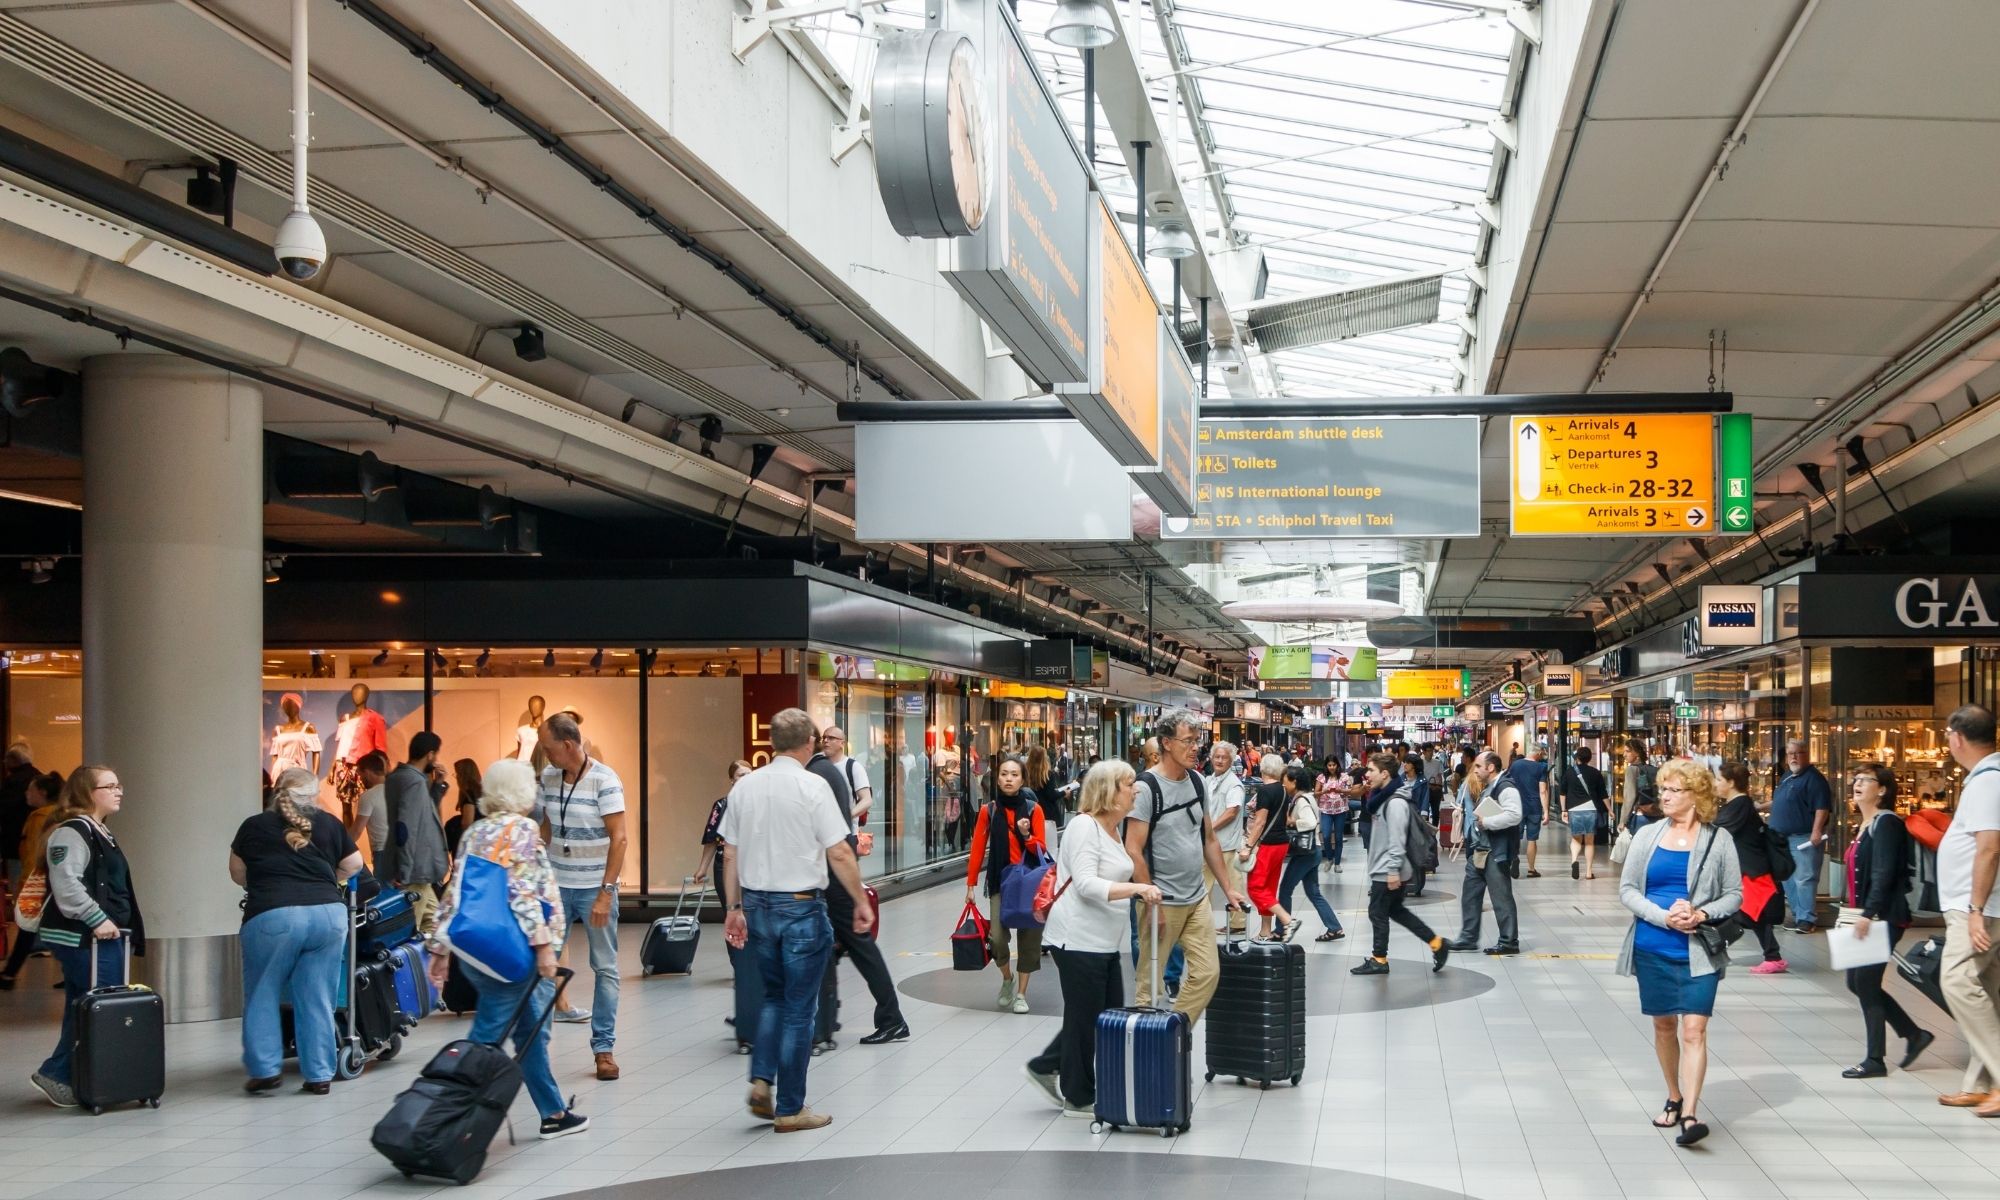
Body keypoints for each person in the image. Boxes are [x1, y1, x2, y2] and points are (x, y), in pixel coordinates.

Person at [720, 707, 874, 1133]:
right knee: (799, 1009)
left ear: (772, 742)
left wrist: (734, 909)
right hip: (801, 907)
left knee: (772, 996)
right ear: (808, 742)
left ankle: (761, 1078)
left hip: (756, 906)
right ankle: (790, 1106)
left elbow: (729, 852)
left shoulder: (744, 789)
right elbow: (840, 851)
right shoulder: (813, 786)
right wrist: (860, 900)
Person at [423, 759, 587, 1139]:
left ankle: (554, 1114)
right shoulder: (523, 830)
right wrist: (545, 947)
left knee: (531, 1033)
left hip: (479, 952)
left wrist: (439, 949)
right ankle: (444, 1119)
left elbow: (455, 892)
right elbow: (524, 893)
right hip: (514, 953)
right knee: (486, 1037)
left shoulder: (475, 833)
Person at [1023, 760, 1161, 1115]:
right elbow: (1084, 884)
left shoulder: (1114, 829)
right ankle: (1078, 1096)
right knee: (1089, 1020)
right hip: (1077, 939)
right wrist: (1137, 888)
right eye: (1130, 784)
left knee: (1100, 1014)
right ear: (1109, 790)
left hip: (1103, 939)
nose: (1137, 789)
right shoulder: (1084, 827)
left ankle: (1046, 1065)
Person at [1616, 761, 1742, 1148]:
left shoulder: (1718, 840)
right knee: (1664, 1026)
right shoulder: (1647, 835)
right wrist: (1664, 917)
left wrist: (1701, 913)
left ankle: (1690, 1112)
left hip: (1699, 950)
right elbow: (1628, 890)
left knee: (1695, 1029)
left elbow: (1734, 894)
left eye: (1674, 790)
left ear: (1696, 796)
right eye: (1663, 789)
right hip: (1654, 945)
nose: (1665, 797)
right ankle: (1673, 1093)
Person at [230, 767, 363, 1095]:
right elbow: (355, 864)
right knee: (317, 996)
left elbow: (237, 873)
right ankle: (319, 1074)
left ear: (276, 792)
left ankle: (265, 1070)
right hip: (329, 916)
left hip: (274, 916)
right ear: (313, 795)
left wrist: (266, 881)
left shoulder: (254, 825)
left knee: (263, 991)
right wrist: (326, 878)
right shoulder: (330, 823)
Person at [29, 766, 145, 1109]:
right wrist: (98, 919)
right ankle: (59, 1073)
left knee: (84, 1003)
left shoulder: (97, 831)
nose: (118, 791)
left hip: (100, 936)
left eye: (118, 783)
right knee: (94, 1006)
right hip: (84, 937)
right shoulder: (71, 832)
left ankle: (73, 1076)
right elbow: (66, 885)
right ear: (86, 793)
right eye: (109, 786)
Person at [1127, 709, 1247, 1023]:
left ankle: (1172, 1033)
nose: (1196, 748)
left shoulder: (1196, 782)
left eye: (1198, 741)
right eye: (1188, 741)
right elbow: (1134, 850)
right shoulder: (1145, 789)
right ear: (1166, 743)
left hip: (1196, 898)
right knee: (1149, 985)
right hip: (1161, 900)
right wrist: (1151, 902)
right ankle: (1146, 1047)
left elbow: (1208, 838)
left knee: (1208, 973)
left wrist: (1229, 888)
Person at [536, 712, 628, 1081]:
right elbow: (546, 826)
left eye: (548, 748)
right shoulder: (549, 777)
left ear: (568, 745)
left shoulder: (605, 781)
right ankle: (536, 1048)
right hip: (556, 886)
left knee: (604, 967)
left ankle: (603, 1049)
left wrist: (606, 893)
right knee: (544, 964)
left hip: (594, 889)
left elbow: (619, 839)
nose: (544, 754)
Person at [807, 731, 908, 1045]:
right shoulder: (825, 770)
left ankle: (890, 1018)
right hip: (837, 861)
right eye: (824, 736)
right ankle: (828, 1017)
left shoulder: (824, 772)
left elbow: (859, 806)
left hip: (834, 865)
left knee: (857, 943)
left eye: (831, 736)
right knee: (838, 944)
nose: (827, 740)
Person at [1839, 764, 1933, 1080]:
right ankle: (1913, 1034)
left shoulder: (1887, 823)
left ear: (1882, 789)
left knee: (1865, 982)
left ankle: (1875, 1059)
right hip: (1864, 915)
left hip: (1881, 916)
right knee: (1857, 982)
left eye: (1865, 780)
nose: (1857, 784)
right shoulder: (1865, 825)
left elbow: (1883, 872)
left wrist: (1869, 913)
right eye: (1856, 779)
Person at [1935, 705, 2000, 1116]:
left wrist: (1976, 908)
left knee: (1957, 981)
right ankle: (1980, 1083)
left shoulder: (1988, 781)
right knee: (1986, 988)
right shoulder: (1986, 777)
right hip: (1980, 906)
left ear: (1957, 737)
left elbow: (1989, 847)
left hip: (1976, 907)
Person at [1351, 753, 1449, 976]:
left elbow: (1397, 839)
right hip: (1386, 867)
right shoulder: (1382, 798)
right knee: (1396, 911)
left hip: (1388, 869)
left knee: (1377, 913)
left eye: (1371, 770)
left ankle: (1379, 959)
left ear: (1385, 774)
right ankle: (1437, 944)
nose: (1366, 774)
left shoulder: (1395, 803)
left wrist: (1393, 870)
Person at [965, 756, 1047, 1013]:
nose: (1008, 779)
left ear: (1023, 779)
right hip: (1001, 880)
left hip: (1029, 883)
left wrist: (1026, 834)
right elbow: (978, 848)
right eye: (1004, 774)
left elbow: (1041, 849)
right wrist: (970, 884)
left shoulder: (1034, 809)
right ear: (997, 778)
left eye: (1014, 774)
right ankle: (1007, 979)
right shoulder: (989, 810)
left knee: (1029, 939)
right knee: (998, 938)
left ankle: (1021, 994)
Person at [701, 760, 755, 1053]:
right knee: (733, 919)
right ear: (731, 780)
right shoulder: (723, 805)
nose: (744, 779)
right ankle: (738, 968)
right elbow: (713, 841)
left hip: (753, 872)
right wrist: (702, 868)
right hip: (730, 867)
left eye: (748, 774)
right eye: (739, 776)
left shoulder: (757, 802)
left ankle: (748, 1013)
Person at [1713, 762, 1786, 975]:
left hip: (1752, 872)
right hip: (1748, 870)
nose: (1716, 784)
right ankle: (1772, 956)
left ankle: (1772, 957)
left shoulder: (1740, 805)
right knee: (1748, 915)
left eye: (1719, 780)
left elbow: (1718, 831)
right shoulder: (1738, 805)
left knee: (1751, 915)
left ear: (1731, 783)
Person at [1449, 751, 1521, 955]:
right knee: (1470, 894)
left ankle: (1508, 941)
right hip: (1479, 849)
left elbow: (1515, 815)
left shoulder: (1506, 787)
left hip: (1495, 851)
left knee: (1501, 896)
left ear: (1491, 768)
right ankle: (1468, 937)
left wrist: (1487, 822)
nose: (1475, 770)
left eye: (1479, 766)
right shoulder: (1488, 787)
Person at [0, 771, 62, 989]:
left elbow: (33, 853)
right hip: (53, 882)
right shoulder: (59, 814)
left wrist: (25, 884)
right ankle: (10, 972)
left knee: (27, 927)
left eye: (31, 790)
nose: (27, 794)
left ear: (42, 793)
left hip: (39, 881)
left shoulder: (39, 818)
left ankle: (9, 973)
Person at [1769, 738, 1833, 933]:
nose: (1794, 757)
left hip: (1803, 837)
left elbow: (1822, 807)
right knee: (1788, 878)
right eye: (1791, 754)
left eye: (1798, 753)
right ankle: (1798, 916)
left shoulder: (1814, 778)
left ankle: (1807, 919)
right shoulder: (1788, 776)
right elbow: (1780, 801)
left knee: (1805, 878)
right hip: (1782, 838)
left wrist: (1816, 830)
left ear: (1807, 755)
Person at [1275, 765, 1343, 942]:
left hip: (1305, 853)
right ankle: (1334, 927)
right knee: (1313, 893)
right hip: (1314, 851)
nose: (1283, 786)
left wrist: (1292, 822)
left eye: (1285, 781)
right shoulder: (1309, 797)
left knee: (1285, 890)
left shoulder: (1302, 800)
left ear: (1294, 781)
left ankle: (1281, 928)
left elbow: (1310, 822)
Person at [1239, 756, 1298, 941]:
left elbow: (1260, 822)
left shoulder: (1264, 790)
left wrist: (1248, 846)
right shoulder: (1282, 790)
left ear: (1262, 769)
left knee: (1256, 887)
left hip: (1267, 844)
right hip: (1281, 844)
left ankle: (1287, 920)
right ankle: (1266, 931)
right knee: (1269, 887)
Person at [1206, 741, 1248, 935]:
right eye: (1217, 757)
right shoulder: (1210, 780)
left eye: (1224, 757)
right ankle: (1200, 922)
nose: (1220, 760)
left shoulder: (1234, 784)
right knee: (1203, 886)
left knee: (1232, 885)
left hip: (1226, 845)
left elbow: (1232, 811)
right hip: (1209, 843)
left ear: (1231, 761)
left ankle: (1238, 924)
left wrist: (1209, 828)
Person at [1563, 747, 1608, 880]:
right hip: (1591, 808)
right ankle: (1588, 872)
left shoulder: (1569, 772)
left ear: (1577, 758)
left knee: (1576, 838)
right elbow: (1603, 794)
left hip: (1573, 809)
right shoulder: (1595, 773)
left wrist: (1563, 810)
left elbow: (1562, 793)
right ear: (1590, 758)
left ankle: (1574, 861)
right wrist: (1610, 810)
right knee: (1589, 841)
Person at [1508, 746, 1551, 878]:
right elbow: (1542, 791)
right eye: (1541, 754)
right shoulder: (1541, 767)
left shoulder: (1515, 765)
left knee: (1515, 836)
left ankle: (1514, 858)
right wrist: (1546, 812)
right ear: (1537, 753)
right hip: (1534, 807)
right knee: (1532, 839)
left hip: (1517, 806)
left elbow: (1509, 783)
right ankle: (1531, 869)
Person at [822, 726, 874, 829]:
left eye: (831, 738)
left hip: (846, 832)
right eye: (824, 738)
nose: (825, 741)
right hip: (821, 833)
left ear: (842, 743)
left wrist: (846, 816)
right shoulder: (819, 765)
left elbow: (867, 800)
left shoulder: (853, 767)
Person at [345, 751, 390, 866]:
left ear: (368, 772)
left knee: (384, 884)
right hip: (403, 850)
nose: (361, 780)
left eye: (361, 776)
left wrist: (340, 848)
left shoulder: (369, 796)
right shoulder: (399, 789)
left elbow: (356, 831)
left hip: (383, 852)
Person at [0, 742, 35, 890]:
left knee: (19, 888)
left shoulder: (12, 783)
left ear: (13, 760)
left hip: (16, 844)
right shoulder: (39, 777)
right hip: (37, 845)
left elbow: (5, 810)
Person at [269, 693, 323, 779]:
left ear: (298, 706)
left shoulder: (308, 727)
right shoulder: (278, 729)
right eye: (285, 706)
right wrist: (271, 777)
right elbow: (275, 756)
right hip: (279, 771)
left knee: (297, 791)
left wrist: (314, 776)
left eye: (291, 705)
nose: (288, 708)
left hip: (297, 769)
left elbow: (316, 752)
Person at [1315, 757, 1349, 875]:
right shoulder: (1321, 778)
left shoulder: (1344, 776)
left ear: (1337, 765)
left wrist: (1341, 790)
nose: (1332, 767)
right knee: (1326, 835)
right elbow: (1316, 793)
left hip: (1340, 809)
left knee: (1339, 837)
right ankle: (1330, 858)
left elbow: (1350, 791)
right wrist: (1323, 791)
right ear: (1326, 766)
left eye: (1334, 765)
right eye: (1329, 765)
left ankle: (1337, 863)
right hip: (1326, 810)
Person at [445, 758, 481, 860]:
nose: (456, 778)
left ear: (463, 775)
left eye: (457, 774)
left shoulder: (468, 794)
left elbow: (467, 823)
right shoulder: (482, 791)